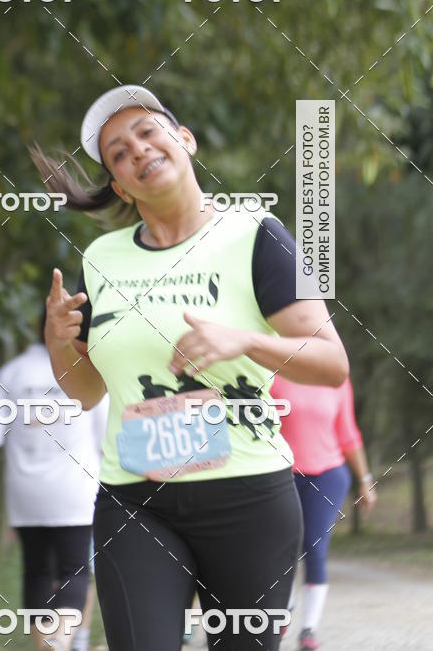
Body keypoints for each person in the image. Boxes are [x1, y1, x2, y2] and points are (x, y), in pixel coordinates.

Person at [32, 84, 350, 651]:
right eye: (118, 154)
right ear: (120, 187)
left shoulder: (259, 237)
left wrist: (245, 341)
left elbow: (331, 365)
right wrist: (59, 343)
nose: (137, 151)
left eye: (147, 132)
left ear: (184, 140)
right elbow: (84, 393)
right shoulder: (101, 260)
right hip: (135, 498)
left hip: (249, 497)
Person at [0, 315, 109, 651]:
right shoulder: (87, 373)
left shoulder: (13, 372)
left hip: (25, 493)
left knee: (36, 572)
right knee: (75, 571)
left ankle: (47, 644)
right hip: (76, 491)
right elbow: (107, 441)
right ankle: (61, 642)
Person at [271, 374, 377, 650]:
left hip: (328, 475)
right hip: (283, 473)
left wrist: (364, 480)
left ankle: (309, 630)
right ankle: (284, 610)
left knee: (315, 548)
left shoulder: (336, 378)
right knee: (283, 548)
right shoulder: (273, 373)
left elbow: (348, 433)